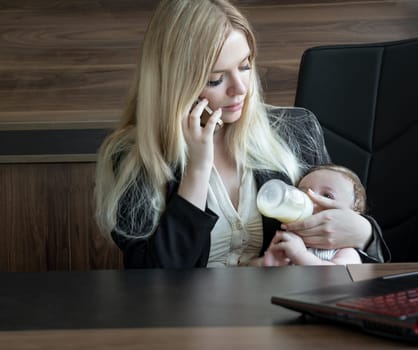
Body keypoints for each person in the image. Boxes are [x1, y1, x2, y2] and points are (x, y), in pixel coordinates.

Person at [94, 0, 388, 269]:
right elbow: (151, 280)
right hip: (186, 323)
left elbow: (343, 256)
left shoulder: (295, 132)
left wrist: (364, 232)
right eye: (215, 78)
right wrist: (196, 173)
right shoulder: (132, 157)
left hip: (284, 315)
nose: (240, 88)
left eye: (245, 66)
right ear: (174, 84)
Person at [260, 164, 368, 266]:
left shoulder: (344, 251)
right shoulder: (288, 239)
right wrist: (263, 263)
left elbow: (342, 276)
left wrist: (299, 255)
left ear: (350, 216)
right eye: (303, 193)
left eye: (327, 196)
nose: (310, 199)